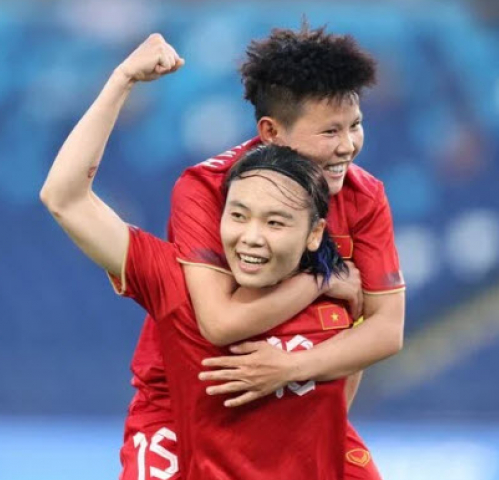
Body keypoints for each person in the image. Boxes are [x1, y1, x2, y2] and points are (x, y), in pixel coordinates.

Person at [39, 35, 365, 476]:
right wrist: (122, 79)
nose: (251, 238)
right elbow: (65, 198)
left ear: (314, 234)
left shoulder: (340, 306)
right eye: (238, 215)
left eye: (274, 222)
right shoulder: (177, 286)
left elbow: (340, 402)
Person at [118, 26, 405, 480]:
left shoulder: (364, 195)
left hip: (297, 394)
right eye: (330, 131)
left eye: (355, 125)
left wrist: (291, 369)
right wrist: (321, 280)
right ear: (271, 132)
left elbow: (386, 330)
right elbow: (220, 323)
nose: (348, 145)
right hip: (186, 403)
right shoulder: (206, 188)